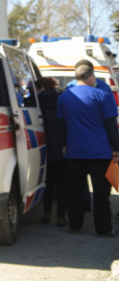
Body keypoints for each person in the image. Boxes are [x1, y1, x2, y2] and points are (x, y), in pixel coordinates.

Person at [57, 59, 119, 237]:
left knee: (74, 191)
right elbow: (111, 126)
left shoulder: (64, 97)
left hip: (74, 151)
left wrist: (63, 145)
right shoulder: (103, 96)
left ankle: (75, 225)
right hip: (99, 152)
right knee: (101, 195)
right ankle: (104, 228)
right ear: (91, 76)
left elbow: (61, 125)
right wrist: (116, 146)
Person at [36, 77, 67, 226]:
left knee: (48, 183)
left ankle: (46, 213)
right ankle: (61, 217)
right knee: (62, 185)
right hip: (61, 147)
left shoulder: (36, 101)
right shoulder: (62, 99)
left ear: (41, 87)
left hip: (44, 147)